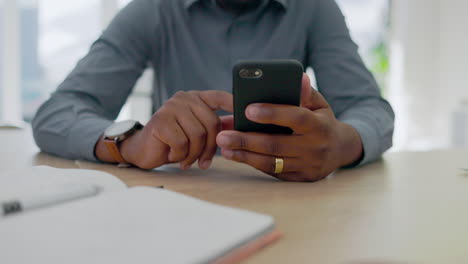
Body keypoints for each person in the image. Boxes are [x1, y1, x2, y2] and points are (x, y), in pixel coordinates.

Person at [32, 0, 394, 182]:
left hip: (289, 196)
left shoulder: (313, 8)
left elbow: (369, 108)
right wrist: (130, 143)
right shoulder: (156, 8)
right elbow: (58, 111)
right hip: (178, 205)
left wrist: (340, 144)